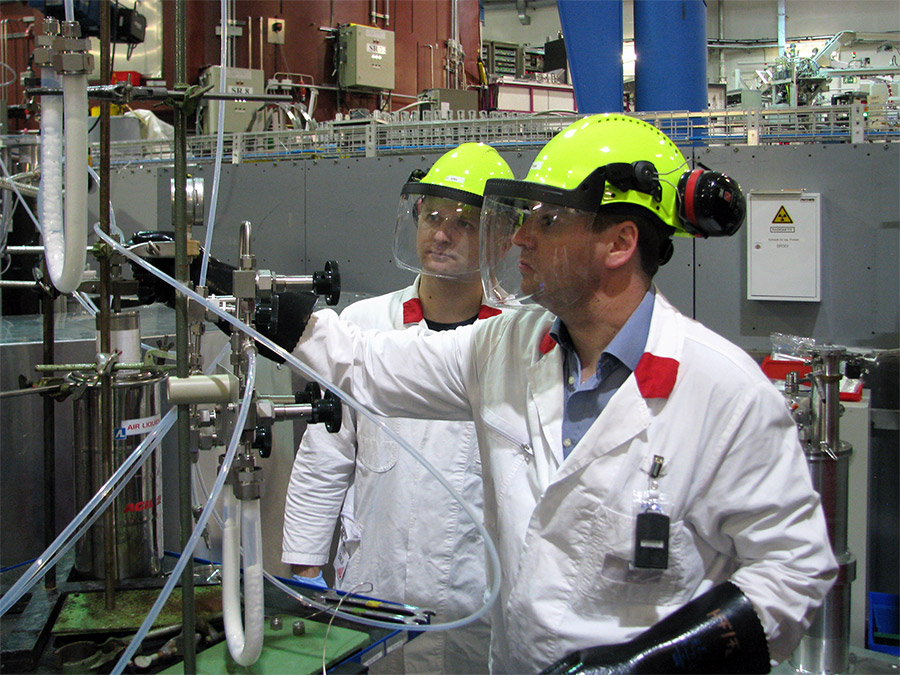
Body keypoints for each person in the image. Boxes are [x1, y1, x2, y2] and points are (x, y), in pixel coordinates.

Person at [288, 115, 837, 673]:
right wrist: (249, 302)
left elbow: (794, 572)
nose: (522, 237)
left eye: (548, 220)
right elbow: (366, 362)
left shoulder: (725, 390)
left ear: (620, 243)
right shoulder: (505, 346)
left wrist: (647, 665)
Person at [282, 143, 514, 674]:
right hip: (374, 588)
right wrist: (303, 570)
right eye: (432, 215)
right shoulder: (361, 327)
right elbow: (325, 456)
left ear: (502, 239)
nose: (442, 233)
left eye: (465, 222)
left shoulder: (518, 340)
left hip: (475, 602)